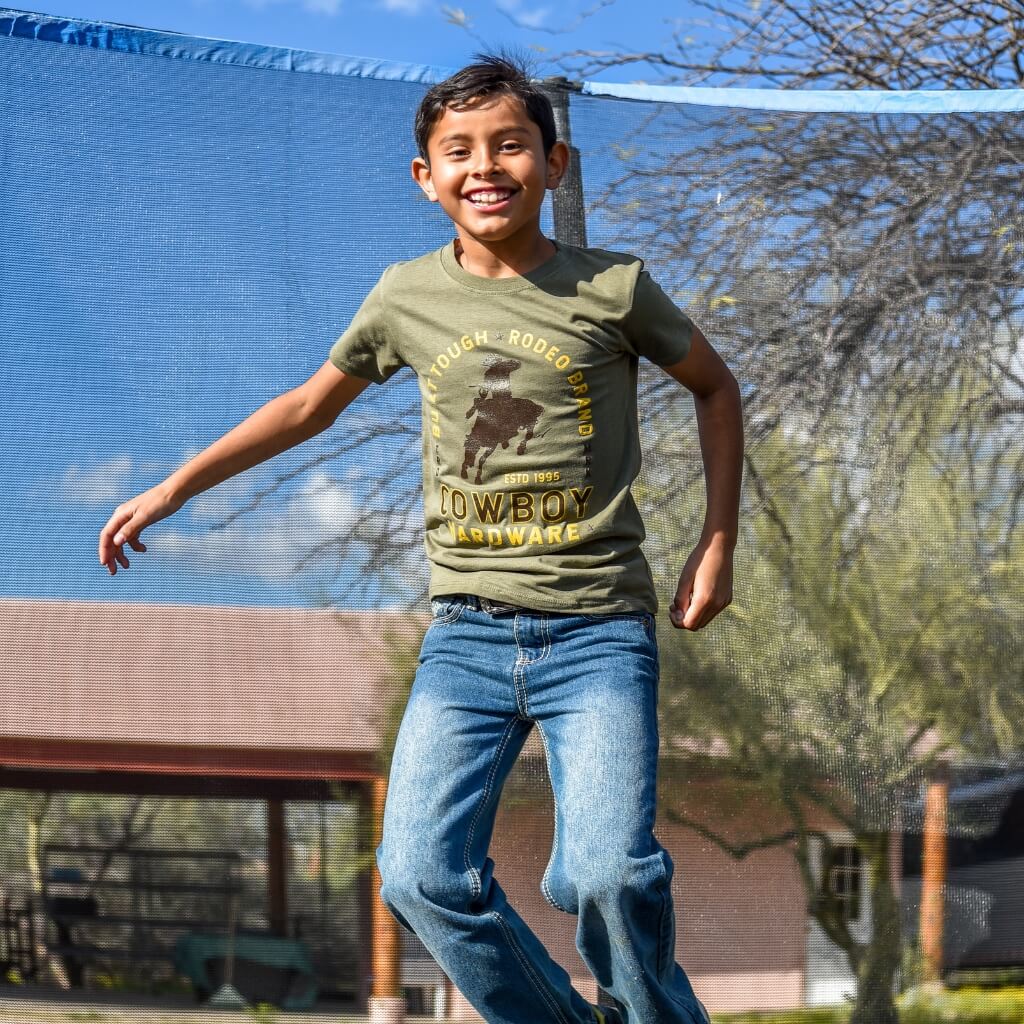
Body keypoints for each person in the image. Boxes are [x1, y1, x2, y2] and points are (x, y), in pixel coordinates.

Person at [98, 53, 742, 1024]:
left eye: (510, 145)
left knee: (606, 873)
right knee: (416, 874)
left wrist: (717, 540)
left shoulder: (612, 289)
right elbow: (308, 407)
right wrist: (175, 486)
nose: (485, 167)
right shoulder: (405, 296)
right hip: (467, 639)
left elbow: (715, 386)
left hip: (596, 632)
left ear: (553, 164)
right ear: (425, 178)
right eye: (459, 152)